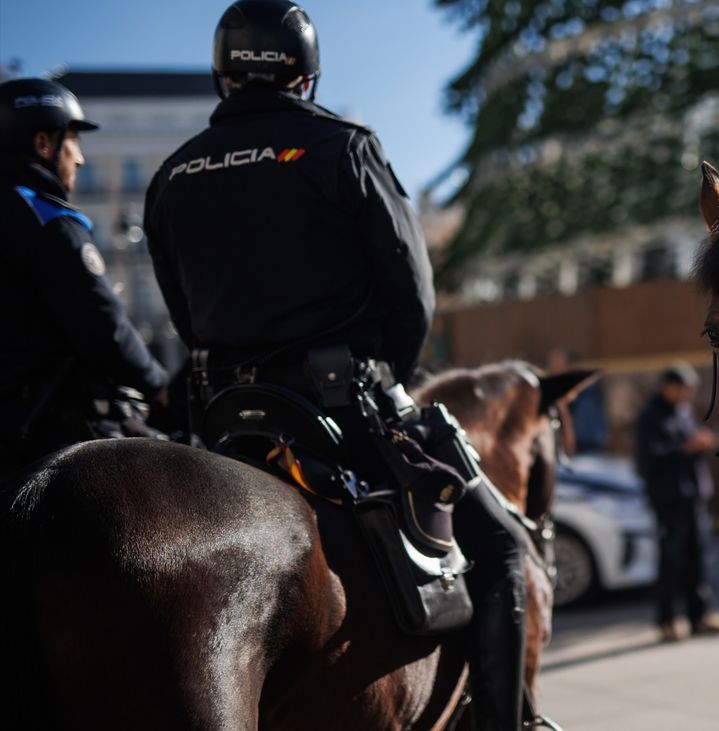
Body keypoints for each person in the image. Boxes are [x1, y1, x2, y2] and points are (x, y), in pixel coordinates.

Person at [143, 2, 538, 728]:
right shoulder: (343, 146)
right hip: (342, 409)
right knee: (506, 548)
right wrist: (384, 378)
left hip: (227, 419)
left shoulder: (171, 176)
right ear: (306, 72)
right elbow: (412, 296)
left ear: (221, 76)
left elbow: (184, 318)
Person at [0, 77, 170, 477]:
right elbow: (103, 326)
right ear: (44, 144)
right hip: (43, 428)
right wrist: (160, 385)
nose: (79, 159)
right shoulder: (46, 219)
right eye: (73, 142)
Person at [634, 363, 719, 642]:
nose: (687, 394)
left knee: (697, 557)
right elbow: (648, 459)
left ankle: (699, 616)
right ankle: (667, 620)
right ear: (668, 387)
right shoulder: (649, 417)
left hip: (693, 495)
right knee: (670, 560)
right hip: (668, 498)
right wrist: (685, 448)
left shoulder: (683, 411)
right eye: (683, 389)